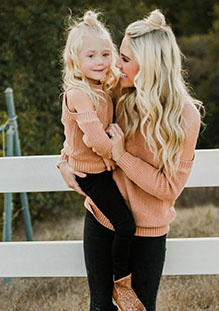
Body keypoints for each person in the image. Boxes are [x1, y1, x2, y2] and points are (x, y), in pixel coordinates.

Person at [58, 9, 203, 311]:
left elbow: (168, 189)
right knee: (100, 306)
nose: (114, 65)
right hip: (102, 217)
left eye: (124, 59)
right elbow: (80, 128)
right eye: (118, 55)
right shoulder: (116, 92)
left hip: (148, 233)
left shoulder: (185, 117)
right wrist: (64, 161)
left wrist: (120, 155)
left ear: (149, 65)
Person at [58, 10, 145, 311]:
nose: (100, 61)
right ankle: (122, 284)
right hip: (91, 175)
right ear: (75, 60)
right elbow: (95, 141)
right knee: (125, 225)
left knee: (115, 224)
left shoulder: (100, 88)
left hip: (101, 170)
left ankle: (113, 284)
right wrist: (114, 153)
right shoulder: (78, 93)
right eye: (91, 55)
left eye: (106, 54)